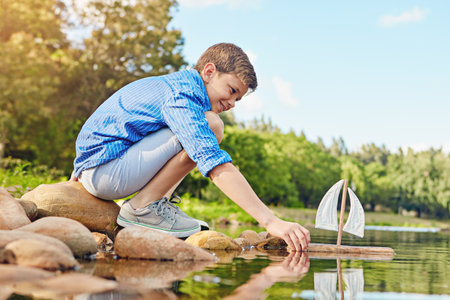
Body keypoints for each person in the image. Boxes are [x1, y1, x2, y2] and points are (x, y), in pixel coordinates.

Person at [71, 43, 310, 251]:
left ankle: (152, 205)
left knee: (208, 124)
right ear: (209, 71)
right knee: (212, 126)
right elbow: (212, 163)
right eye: (232, 90)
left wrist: (79, 169)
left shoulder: (177, 85)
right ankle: (144, 208)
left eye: (238, 99)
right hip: (107, 173)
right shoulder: (182, 94)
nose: (232, 103)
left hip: (100, 169)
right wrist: (270, 221)